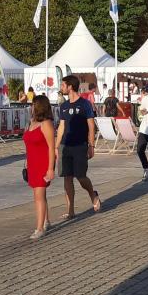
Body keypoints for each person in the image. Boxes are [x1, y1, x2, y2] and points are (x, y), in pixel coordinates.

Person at [55, 75, 101, 219]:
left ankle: (93, 195)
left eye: (63, 85)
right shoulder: (64, 106)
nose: (61, 88)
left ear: (70, 87)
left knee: (81, 177)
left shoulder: (85, 104)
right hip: (65, 146)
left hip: (80, 145)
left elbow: (91, 125)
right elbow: (61, 127)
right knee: (67, 178)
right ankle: (71, 211)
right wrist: (56, 147)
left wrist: (91, 145)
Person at [24, 95, 56, 240]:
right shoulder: (31, 122)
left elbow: (51, 147)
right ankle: (46, 220)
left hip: (43, 163)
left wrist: (51, 168)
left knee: (39, 195)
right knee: (38, 195)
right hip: (32, 163)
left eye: (33, 105)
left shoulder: (46, 124)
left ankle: (40, 228)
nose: (31, 107)